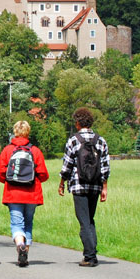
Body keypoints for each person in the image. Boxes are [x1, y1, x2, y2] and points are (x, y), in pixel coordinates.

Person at [58, 107, 110, 267]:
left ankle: (90, 256)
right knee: (90, 219)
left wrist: (61, 182)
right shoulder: (101, 141)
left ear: (78, 122)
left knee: (83, 220)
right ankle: (91, 252)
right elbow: (105, 166)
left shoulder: (73, 140)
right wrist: (104, 187)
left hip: (78, 185)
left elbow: (67, 165)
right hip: (95, 185)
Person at [0, 120, 49, 267]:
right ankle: (25, 254)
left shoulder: (7, 150)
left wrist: (9, 181)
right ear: (28, 132)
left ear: (15, 131)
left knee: (17, 223)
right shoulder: (35, 151)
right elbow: (43, 174)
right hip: (32, 194)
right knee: (28, 223)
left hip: (13, 193)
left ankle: (20, 245)